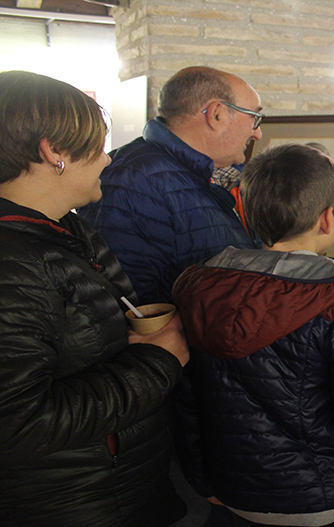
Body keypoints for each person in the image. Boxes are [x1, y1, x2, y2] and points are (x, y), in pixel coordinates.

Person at [172, 143, 334, 527]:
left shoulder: (197, 288)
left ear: (247, 214)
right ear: (327, 218)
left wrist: (202, 477)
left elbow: (186, 400)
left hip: (232, 492)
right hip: (322, 498)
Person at [0, 70, 190, 526]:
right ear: (54, 151)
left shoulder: (65, 226)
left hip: (116, 485)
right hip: (75, 504)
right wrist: (157, 361)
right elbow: (18, 422)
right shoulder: (13, 263)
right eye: (97, 146)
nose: (107, 160)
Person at [78, 66, 262, 305]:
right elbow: (132, 306)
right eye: (254, 118)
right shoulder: (131, 181)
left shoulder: (204, 173)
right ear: (217, 114)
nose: (257, 133)